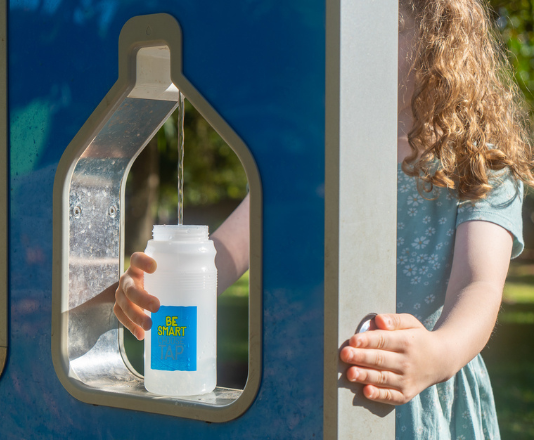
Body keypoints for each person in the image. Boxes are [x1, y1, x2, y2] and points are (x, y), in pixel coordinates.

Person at [113, 0, 533, 438]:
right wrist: (155, 283)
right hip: (304, 392)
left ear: (441, 41)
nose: (352, 41)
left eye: (387, 25)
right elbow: (223, 253)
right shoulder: (319, 159)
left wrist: (439, 354)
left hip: (413, 398)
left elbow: (478, 286)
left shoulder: (478, 168)